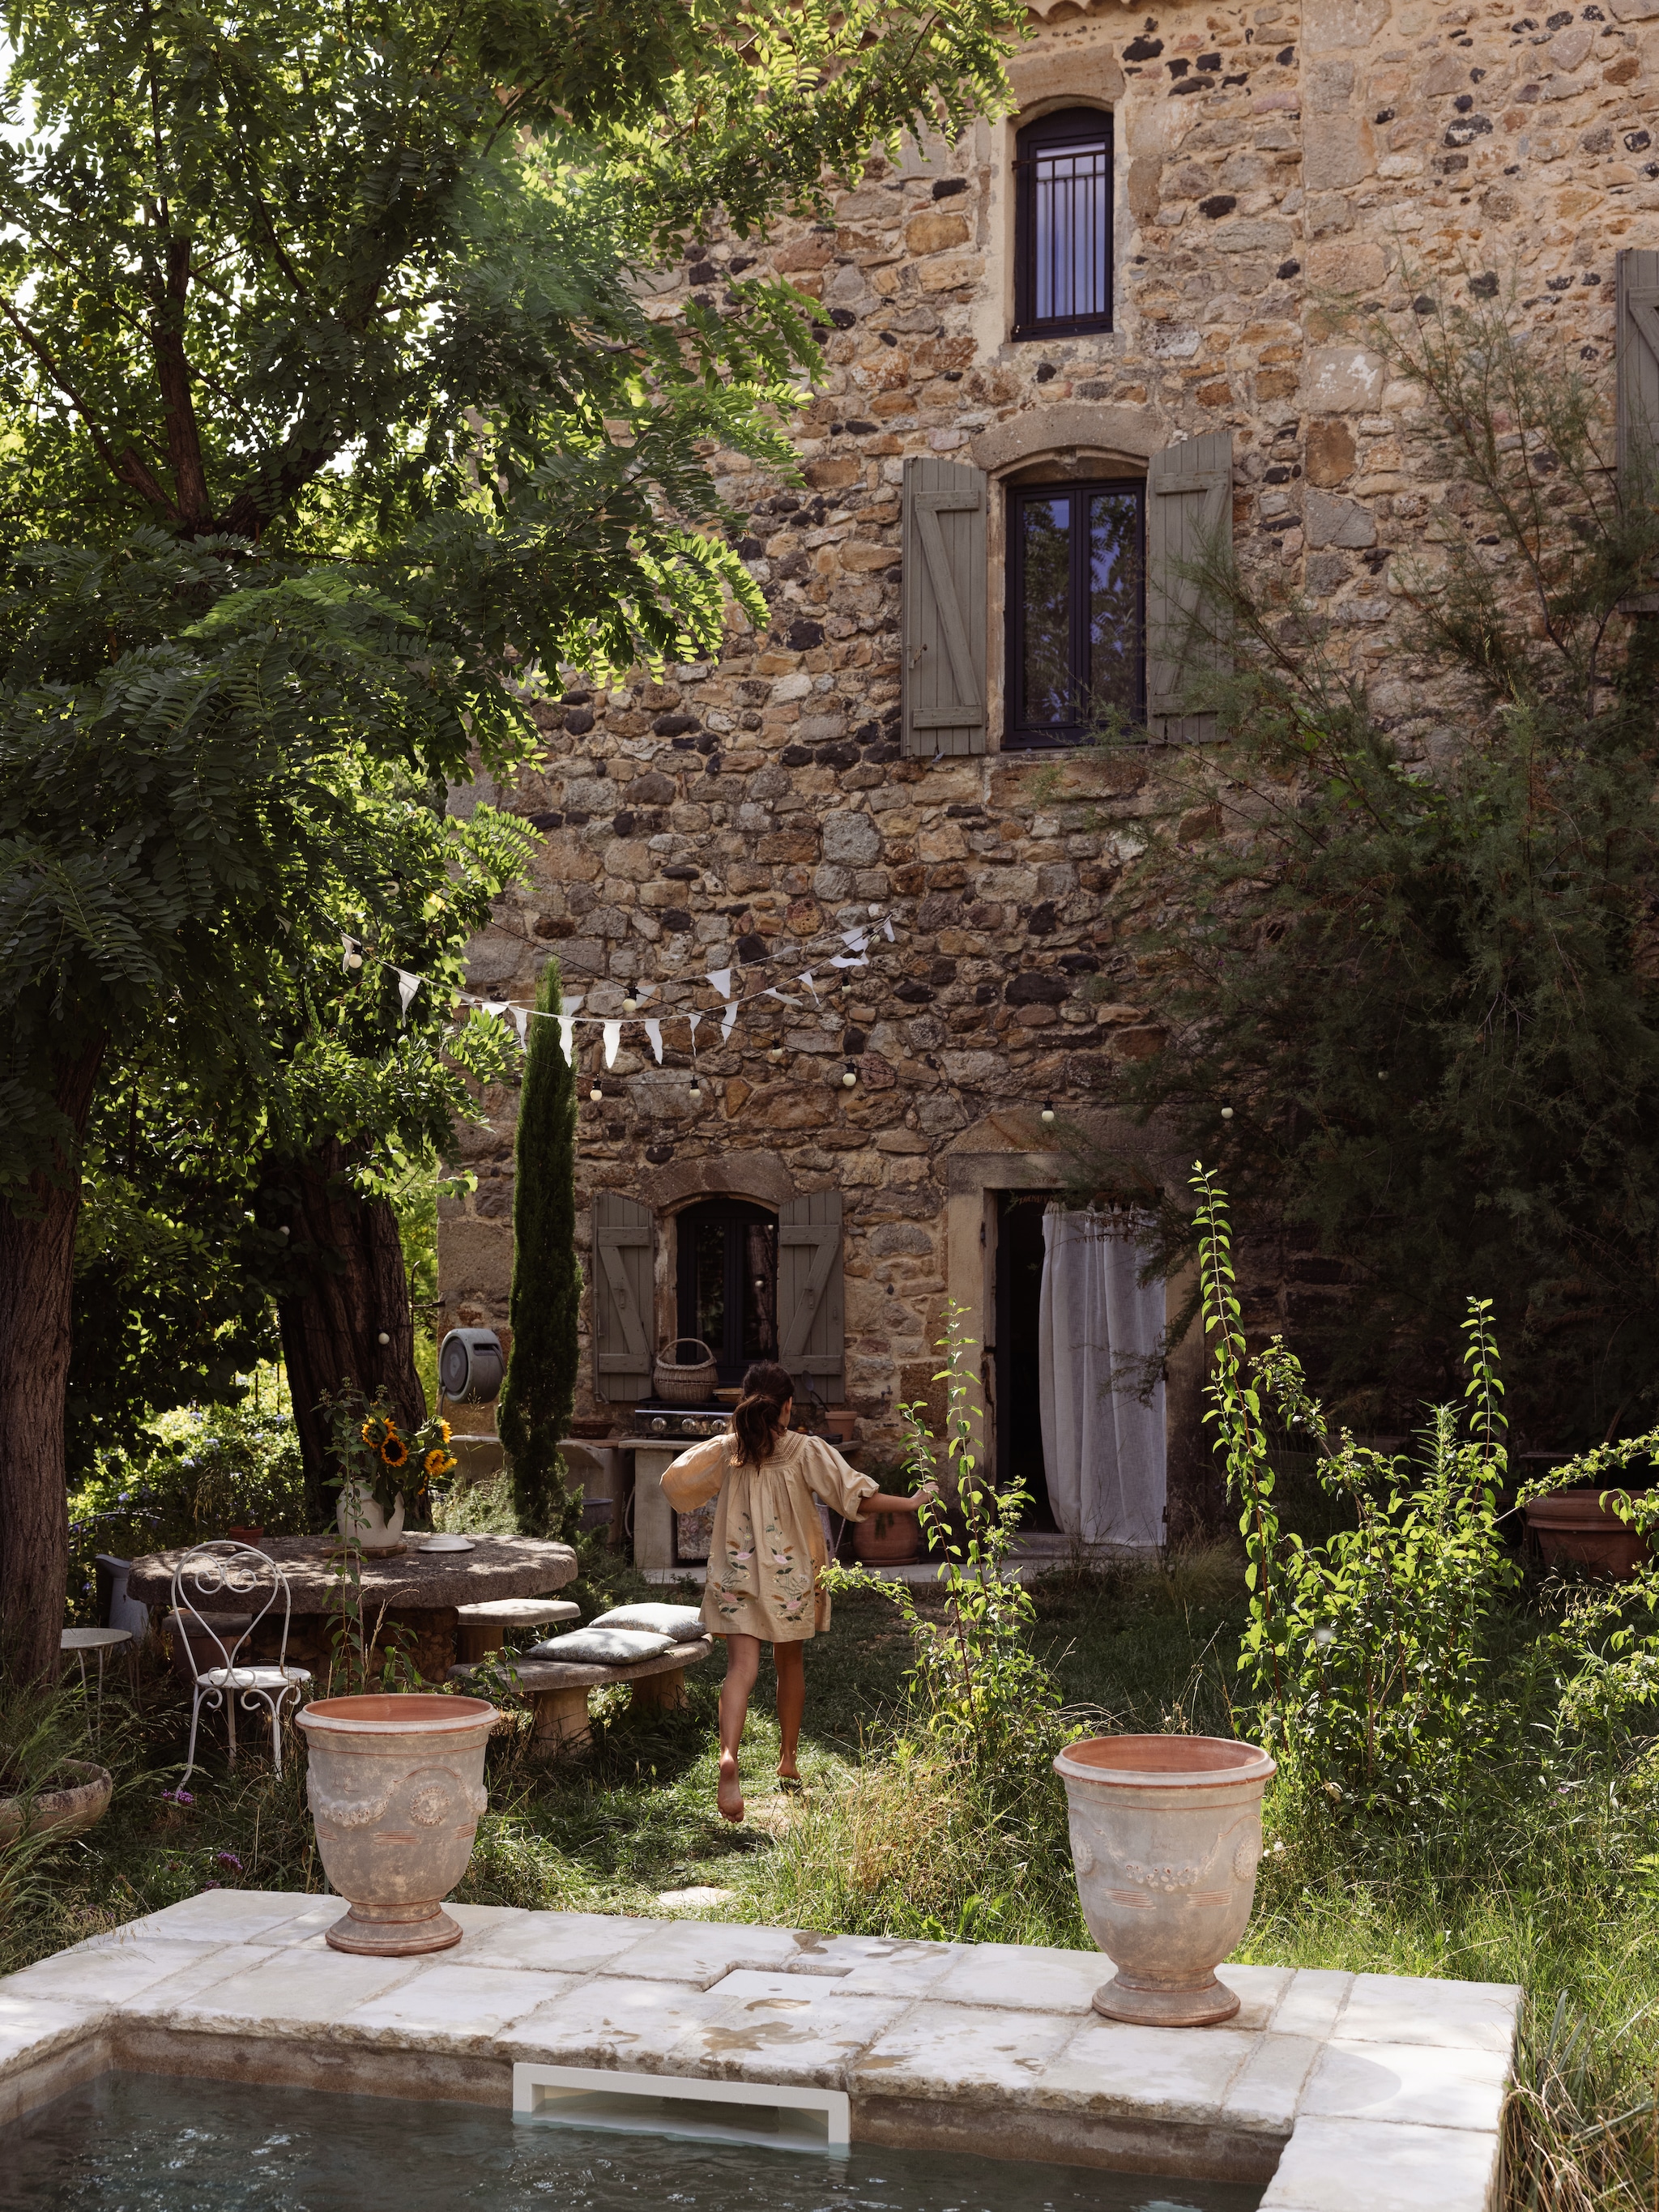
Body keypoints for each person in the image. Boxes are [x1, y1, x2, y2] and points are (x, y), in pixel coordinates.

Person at [660, 1358, 933, 1823]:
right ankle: (787, 1760)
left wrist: (727, 1439)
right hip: (790, 1580)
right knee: (790, 1665)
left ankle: (729, 1755)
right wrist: (911, 1501)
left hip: (736, 1575)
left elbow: (674, 1483)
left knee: (740, 1670)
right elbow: (854, 1497)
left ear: (746, 1403)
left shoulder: (729, 1449)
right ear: (787, 1406)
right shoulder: (806, 1450)